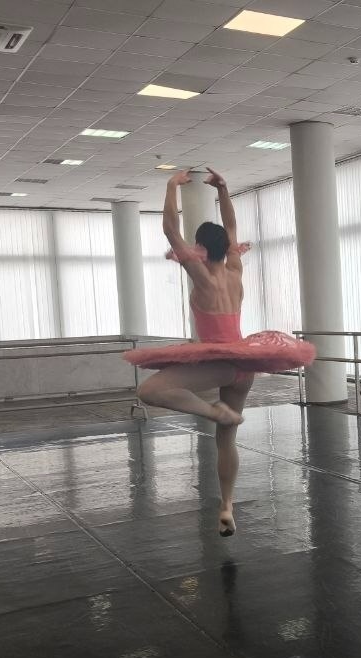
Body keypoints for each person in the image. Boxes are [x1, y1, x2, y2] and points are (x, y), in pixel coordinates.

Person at [125, 168, 315, 537]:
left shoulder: (203, 277)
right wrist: (224, 190)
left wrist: (171, 186)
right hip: (245, 365)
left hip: (221, 361)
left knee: (149, 391)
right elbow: (232, 229)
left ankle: (215, 411)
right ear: (224, 248)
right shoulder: (235, 271)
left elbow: (169, 230)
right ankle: (226, 506)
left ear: (199, 248)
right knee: (225, 439)